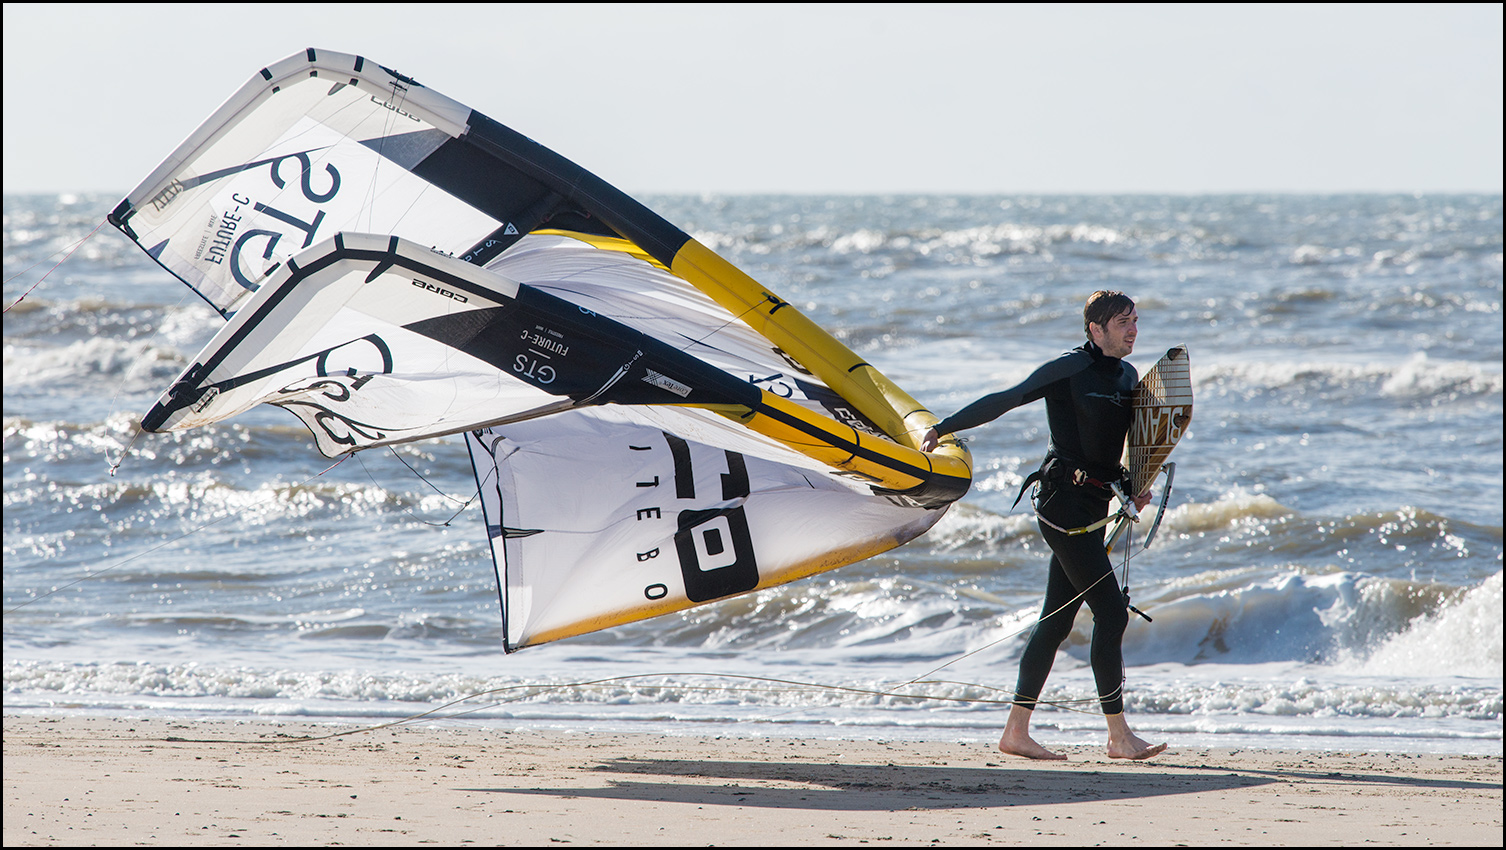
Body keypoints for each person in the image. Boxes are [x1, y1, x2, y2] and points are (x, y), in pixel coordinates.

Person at [920, 290, 1167, 761]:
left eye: (1135, 320)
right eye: (1122, 323)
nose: (1133, 330)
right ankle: (1118, 736)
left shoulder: (1129, 375)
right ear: (1095, 329)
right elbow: (1007, 399)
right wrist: (944, 427)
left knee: (1056, 620)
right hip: (1062, 505)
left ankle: (1016, 732)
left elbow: (1120, 447)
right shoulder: (1069, 369)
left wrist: (1133, 485)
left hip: (1096, 505)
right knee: (1112, 613)